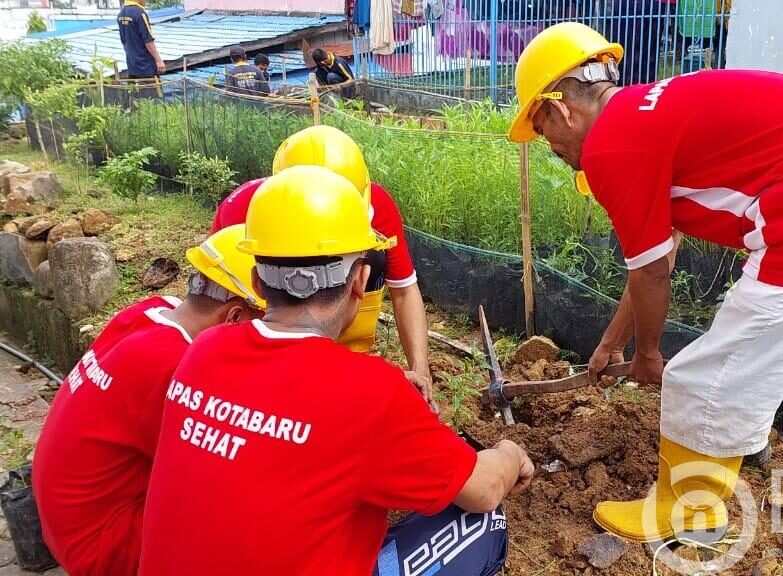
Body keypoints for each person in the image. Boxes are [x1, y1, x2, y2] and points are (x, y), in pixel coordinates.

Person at [507, 23, 783, 542]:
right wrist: (613, 342)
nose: (551, 146)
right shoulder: (642, 115)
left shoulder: (611, 145)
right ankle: (729, 454)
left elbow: (652, 270)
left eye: (541, 130)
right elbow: (659, 252)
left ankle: (688, 510)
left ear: (559, 108)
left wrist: (649, 354)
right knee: (749, 354)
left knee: (704, 374)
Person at [139, 166, 533, 576]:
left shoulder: (203, 350)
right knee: (484, 523)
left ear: (256, 281)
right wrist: (509, 453)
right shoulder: (371, 393)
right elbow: (484, 489)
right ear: (360, 281)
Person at [33, 225, 265, 576]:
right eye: (264, 324)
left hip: (68, 518)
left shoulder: (150, 312)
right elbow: (231, 466)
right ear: (234, 317)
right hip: (103, 544)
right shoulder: (175, 365)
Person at [209, 126, 436, 409]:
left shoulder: (378, 207)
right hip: (269, 354)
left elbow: (404, 291)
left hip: (347, 357)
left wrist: (420, 369)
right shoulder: (240, 214)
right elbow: (216, 310)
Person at [116, 0, 165, 81]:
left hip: (132, 66)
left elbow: (123, 41)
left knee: (135, 89)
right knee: (152, 88)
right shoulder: (140, 14)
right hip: (146, 67)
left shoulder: (121, 14)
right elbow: (148, 41)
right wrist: (159, 60)